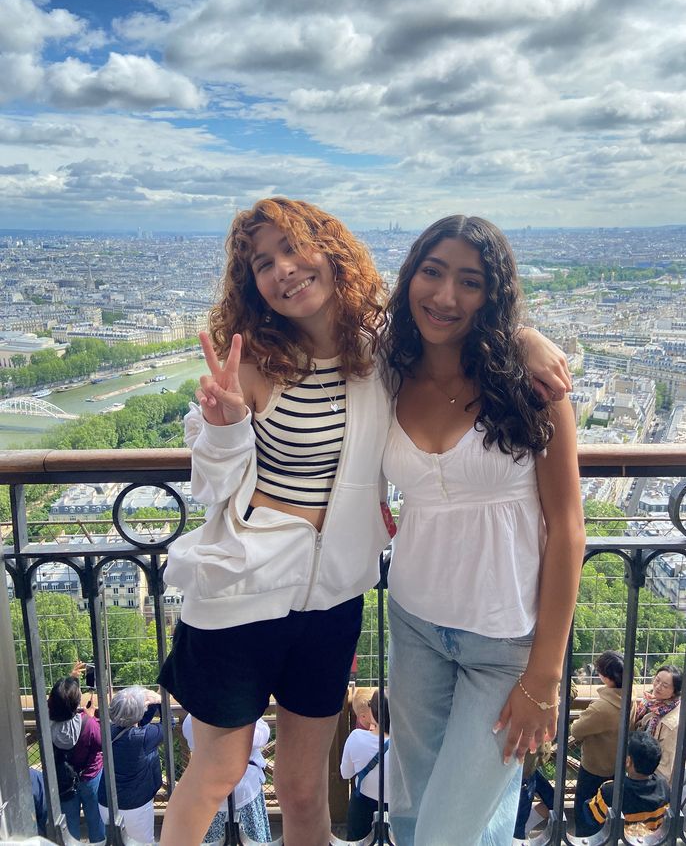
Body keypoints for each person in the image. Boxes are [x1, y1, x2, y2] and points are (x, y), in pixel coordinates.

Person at [157, 197, 571, 846]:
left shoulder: (377, 349)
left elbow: (448, 319)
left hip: (333, 596)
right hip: (242, 594)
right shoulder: (252, 362)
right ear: (251, 281)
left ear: (330, 249)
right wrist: (223, 424)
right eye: (264, 262)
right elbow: (214, 487)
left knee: (301, 789)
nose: (284, 270)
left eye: (294, 249)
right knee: (218, 770)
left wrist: (524, 336)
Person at [381, 214, 587, 846]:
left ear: (492, 296)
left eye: (470, 282)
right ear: (411, 275)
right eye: (433, 272)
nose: (445, 296)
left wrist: (546, 678)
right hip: (413, 621)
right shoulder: (387, 372)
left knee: (447, 830)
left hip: (505, 641)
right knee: (416, 811)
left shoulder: (531, 385)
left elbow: (569, 529)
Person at [182, 712, 272, 843]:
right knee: (252, 838)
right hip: (245, 786)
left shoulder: (194, 715)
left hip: (209, 787)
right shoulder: (242, 711)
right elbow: (262, 736)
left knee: (212, 837)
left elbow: (190, 737)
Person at [97, 686, 164, 844]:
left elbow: (135, 720)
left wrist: (145, 704)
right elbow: (168, 724)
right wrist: (160, 702)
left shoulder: (106, 730)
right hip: (136, 805)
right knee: (143, 843)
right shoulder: (144, 738)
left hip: (107, 802)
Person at [570, 650, 624, 836]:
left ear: (606, 677)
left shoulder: (601, 708)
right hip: (616, 768)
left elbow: (576, 730)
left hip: (594, 770)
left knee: (586, 816)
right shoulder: (629, 700)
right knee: (608, 816)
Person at [48, 674, 105, 843]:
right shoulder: (88, 723)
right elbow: (101, 743)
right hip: (90, 777)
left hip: (63, 780)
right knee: (96, 819)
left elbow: (53, 703)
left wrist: (68, 680)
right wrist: (92, 716)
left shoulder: (46, 722)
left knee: (69, 823)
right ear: (77, 703)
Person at [582, 731, 669, 834]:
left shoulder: (611, 791)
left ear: (628, 761)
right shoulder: (663, 787)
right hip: (650, 841)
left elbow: (591, 817)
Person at [341, 689, 390, 840]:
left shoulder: (356, 737)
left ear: (374, 712)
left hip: (363, 806)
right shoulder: (407, 743)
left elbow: (345, 773)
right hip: (398, 807)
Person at [631, 664, 682, 785]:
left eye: (665, 685)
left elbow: (666, 765)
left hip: (649, 781)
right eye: (657, 680)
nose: (658, 687)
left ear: (674, 692)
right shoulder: (651, 701)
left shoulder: (671, 723)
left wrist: (650, 789)